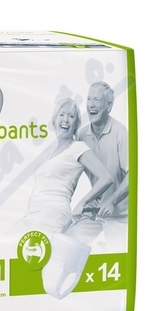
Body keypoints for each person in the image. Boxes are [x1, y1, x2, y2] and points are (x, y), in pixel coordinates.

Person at [19, 97, 113, 236]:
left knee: (33, 248)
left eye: (71, 116)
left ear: (75, 124)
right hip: (31, 212)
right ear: (54, 121)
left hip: (53, 211)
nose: (66, 120)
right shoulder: (49, 152)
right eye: (61, 114)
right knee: (6, 243)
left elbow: (106, 178)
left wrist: (82, 203)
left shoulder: (78, 147)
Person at [66, 81, 128, 251]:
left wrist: (112, 202)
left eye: (97, 100)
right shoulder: (81, 135)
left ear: (109, 106)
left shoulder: (121, 134)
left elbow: (135, 175)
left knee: (117, 255)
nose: (91, 104)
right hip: (94, 211)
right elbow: (71, 173)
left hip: (121, 215)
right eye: (89, 99)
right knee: (67, 241)